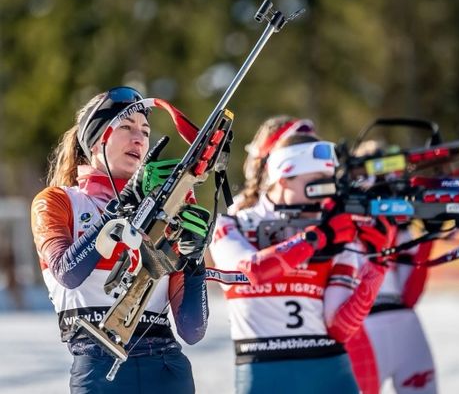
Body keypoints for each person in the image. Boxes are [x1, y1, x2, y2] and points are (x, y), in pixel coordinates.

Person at [31, 87, 210, 394]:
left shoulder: (164, 213)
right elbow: (67, 272)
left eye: (145, 130)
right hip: (99, 365)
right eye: (126, 127)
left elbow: (192, 329)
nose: (139, 138)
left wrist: (195, 261)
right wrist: (119, 208)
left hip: (167, 368)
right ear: (98, 139)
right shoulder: (58, 201)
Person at [210, 131, 393, 394]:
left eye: (330, 185)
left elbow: (340, 328)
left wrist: (377, 265)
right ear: (283, 177)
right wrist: (317, 238)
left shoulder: (336, 234)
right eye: (316, 185)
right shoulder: (233, 224)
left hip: (330, 372)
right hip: (264, 372)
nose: (325, 197)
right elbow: (252, 271)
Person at [346, 140, 437, 394]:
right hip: (362, 329)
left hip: (404, 324)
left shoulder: (401, 225)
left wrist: (431, 234)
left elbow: (410, 295)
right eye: (368, 175)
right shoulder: (341, 218)